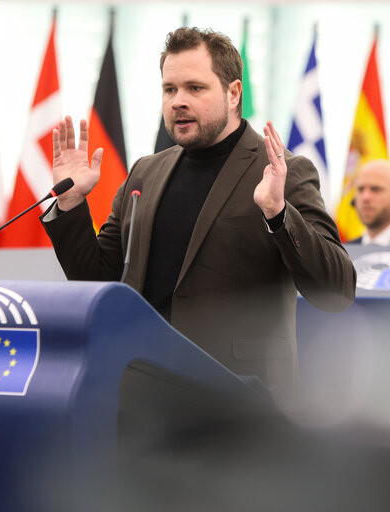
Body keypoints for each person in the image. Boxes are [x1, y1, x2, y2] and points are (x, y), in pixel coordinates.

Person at [40, 27, 356, 399]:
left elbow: (336, 291)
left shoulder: (283, 171)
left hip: (239, 400)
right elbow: (98, 281)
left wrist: (278, 213)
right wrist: (72, 204)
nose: (178, 101)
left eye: (195, 88)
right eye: (169, 89)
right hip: (142, 392)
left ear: (234, 92)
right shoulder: (145, 172)